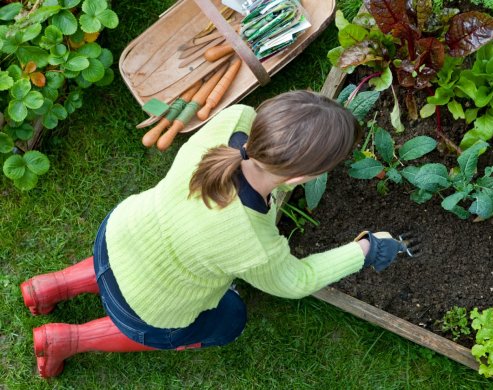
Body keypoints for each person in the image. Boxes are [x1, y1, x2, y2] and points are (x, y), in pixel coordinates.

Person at [20, 90, 408, 378]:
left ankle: (50, 286)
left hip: (119, 234)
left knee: (132, 260)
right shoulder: (253, 243)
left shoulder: (234, 120)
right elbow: (296, 280)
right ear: (300, 179)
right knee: (229, 319)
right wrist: (365, 250)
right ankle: (67, 340)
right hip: (145, 309)